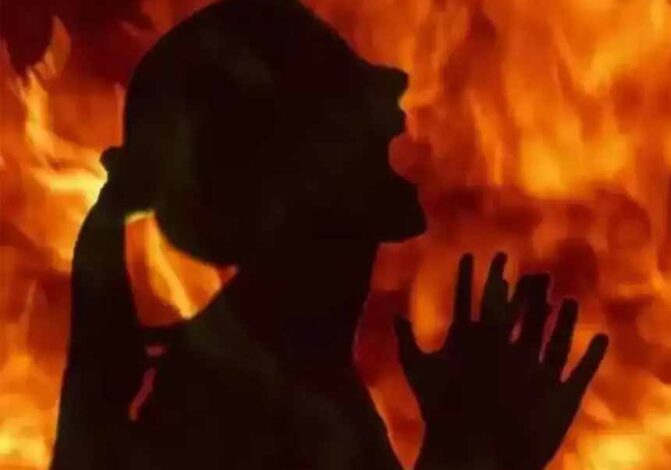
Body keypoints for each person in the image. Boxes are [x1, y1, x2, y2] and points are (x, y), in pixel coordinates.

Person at [51, 0, 608, 468]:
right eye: (339, 89)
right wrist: (472, 455)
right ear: (279, 174)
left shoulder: (289, 376)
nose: (390, 90)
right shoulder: (235, 405)